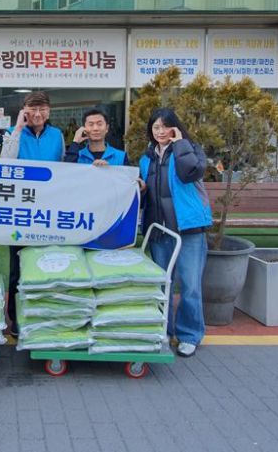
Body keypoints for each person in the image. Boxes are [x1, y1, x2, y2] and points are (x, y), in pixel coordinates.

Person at [137, 108, 212, 358]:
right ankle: (163, 331)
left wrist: (180, 144)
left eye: (164, 127)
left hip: (188, 229)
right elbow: (148, 191)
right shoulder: (146, 157)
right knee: (162, 284)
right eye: (155, 127)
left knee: (189, 285)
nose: (160, 132)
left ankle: (190, 335)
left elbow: (190, 172)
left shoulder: (190, 150)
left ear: (175, 127)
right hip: (159, 230)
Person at [1, 91, 65, 334]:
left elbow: (62, 168)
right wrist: (17, 128)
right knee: (17, 267)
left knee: (44, 264)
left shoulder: (57, 135)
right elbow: (5, 163)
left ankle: (41, 317)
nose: (37, 114)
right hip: (19, 211)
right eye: (32, 109)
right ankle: (15, 319)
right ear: (23, 110)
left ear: (49, 111)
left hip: (46, 212)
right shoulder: (11, 134)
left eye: (42, 109)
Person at [64, 107, 129, 166]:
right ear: (84, 129)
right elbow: (67, 172)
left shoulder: (121, 157)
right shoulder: (77, 156)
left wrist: (110, 171)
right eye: (91, 124)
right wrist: (75, 141)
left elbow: (126, 178)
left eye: (99, 124)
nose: (95, 128)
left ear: (107, 128)